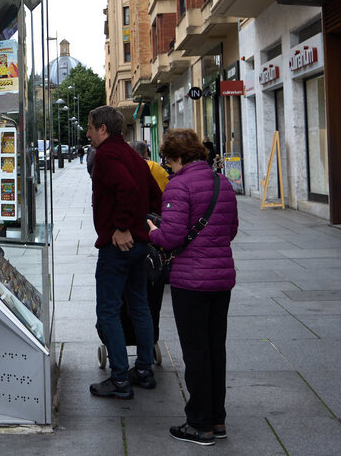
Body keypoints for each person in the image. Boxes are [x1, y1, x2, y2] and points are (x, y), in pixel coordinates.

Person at [146, 129, 238, 446]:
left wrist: (152, 230)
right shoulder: (221, 183)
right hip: (221, 279)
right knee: (215, 349)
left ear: (179, 157)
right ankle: (217, 419)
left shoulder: (179, 186)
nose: (169, 167)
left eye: (170, 161)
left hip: (191, 282)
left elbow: (170, 238)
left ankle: (199, 424)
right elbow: (231, 229)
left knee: (196, 352)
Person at [86, 106, 162, 400]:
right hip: (139, 245)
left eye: (91, 127)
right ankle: (143, 370)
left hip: (117, 246)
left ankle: (119, 378)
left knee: (108, 310)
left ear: (103, 129)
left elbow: (127, 189)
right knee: (139, 305)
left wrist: (121, 227)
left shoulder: (106, 155)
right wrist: (143, 223)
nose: (88, 133)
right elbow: (156, 195)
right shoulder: (134, 154)